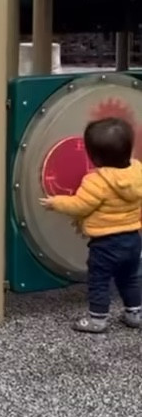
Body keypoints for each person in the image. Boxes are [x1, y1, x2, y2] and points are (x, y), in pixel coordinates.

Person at [41, 116, 142, 333]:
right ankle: (134, 313)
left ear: (94, 157)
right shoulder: (137, 172)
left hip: (106, 243)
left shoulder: (96, 181)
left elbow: (80, 206)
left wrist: (56, 203)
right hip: (133, 239)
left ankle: (98, 319)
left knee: (99, 280)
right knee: (130, 278)